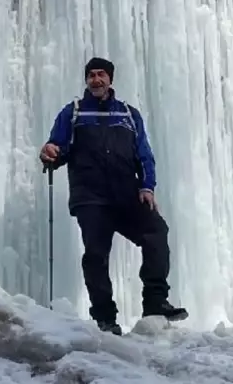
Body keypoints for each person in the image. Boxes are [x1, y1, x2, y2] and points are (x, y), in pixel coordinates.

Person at [39, 57, 188, 335]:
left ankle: (155, 301)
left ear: (110, 79)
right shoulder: (73, 113)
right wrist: (50, 151)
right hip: (90, 197)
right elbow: (58, 146)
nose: (96, 80)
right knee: (96, 255)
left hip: (126, 195)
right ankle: (105, 318)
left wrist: (147, 187)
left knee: (157, 232)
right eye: (91, 75)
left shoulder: (129, 115)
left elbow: (144, 154)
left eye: (101, 75)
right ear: (86, 80)